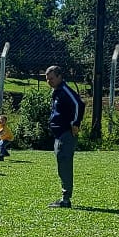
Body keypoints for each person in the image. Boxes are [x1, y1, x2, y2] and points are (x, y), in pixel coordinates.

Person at [44, 65, 84, 208]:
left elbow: (79, 104)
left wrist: (76, 123)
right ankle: (64, 197)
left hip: (66, 134)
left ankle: (65, 199)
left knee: (65, 166)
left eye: (52, 78)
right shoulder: (57, 91)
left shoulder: (65, 90)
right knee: (62, 165)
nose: (49, 81)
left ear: (60, 77)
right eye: (47, 79)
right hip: (59, 135)